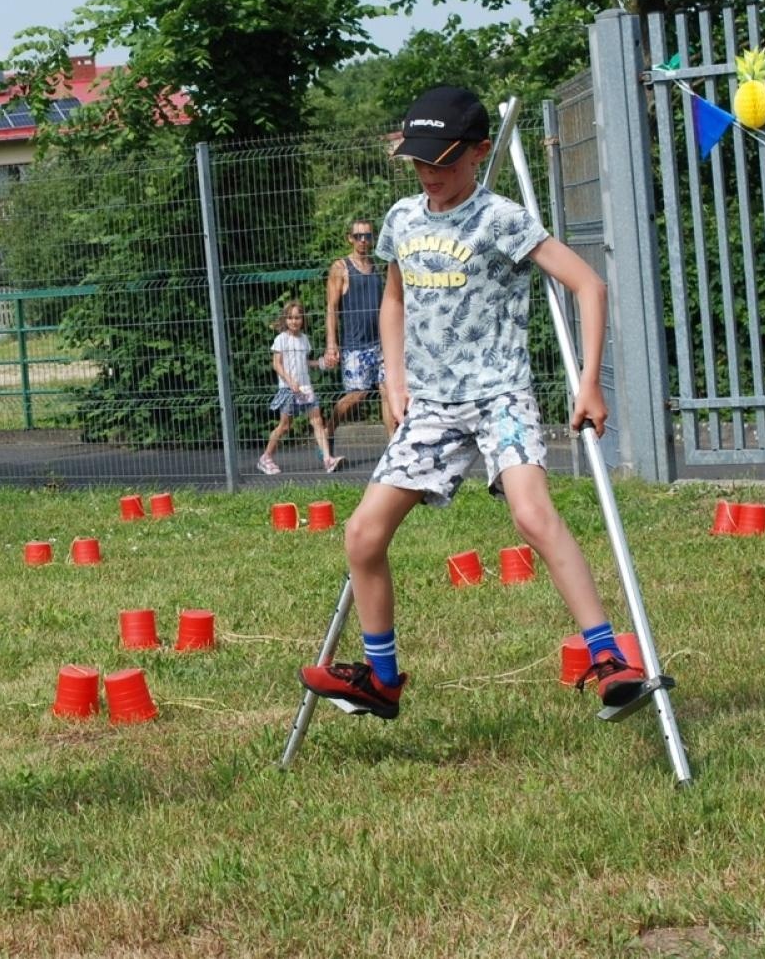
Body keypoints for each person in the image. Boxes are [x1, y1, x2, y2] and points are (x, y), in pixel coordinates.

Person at [299, 85, 645, 720]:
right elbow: (394, 300)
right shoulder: (403, 219)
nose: (431, 175)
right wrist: (392, 379)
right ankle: (381, 680)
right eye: (420, 162)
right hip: (429, 406)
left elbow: (588, 285)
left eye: (444, 162)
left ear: (479, 154)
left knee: (532, 516)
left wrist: (590, 380)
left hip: (499, 396)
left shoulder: (502, 219)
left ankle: (608, 657)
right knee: (362, 534)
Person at [322, 218, 396, 453]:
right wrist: (331, 345)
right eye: (358, 236)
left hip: (380, 343)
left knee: (386, 390)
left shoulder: (376, 267)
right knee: (357, 395)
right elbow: (332, 308)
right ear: (350, 239)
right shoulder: (341, 268)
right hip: (355, 343)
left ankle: (392, 445)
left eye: (368, 236)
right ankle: (329, 430)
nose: (363, 241)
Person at [256, 299, 343, 475]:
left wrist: (322, 363)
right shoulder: (281, 339)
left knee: (317, 422)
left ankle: (327, 459)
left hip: (306, 388)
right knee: (285, 426)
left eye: (297, 318)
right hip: (289, 389)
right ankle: (265, 458)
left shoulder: (304, 340)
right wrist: (290, 382)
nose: (294, 321)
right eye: (290, 318)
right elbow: (277, 364)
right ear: (285, 319)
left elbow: (305, 362)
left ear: (302, 319)